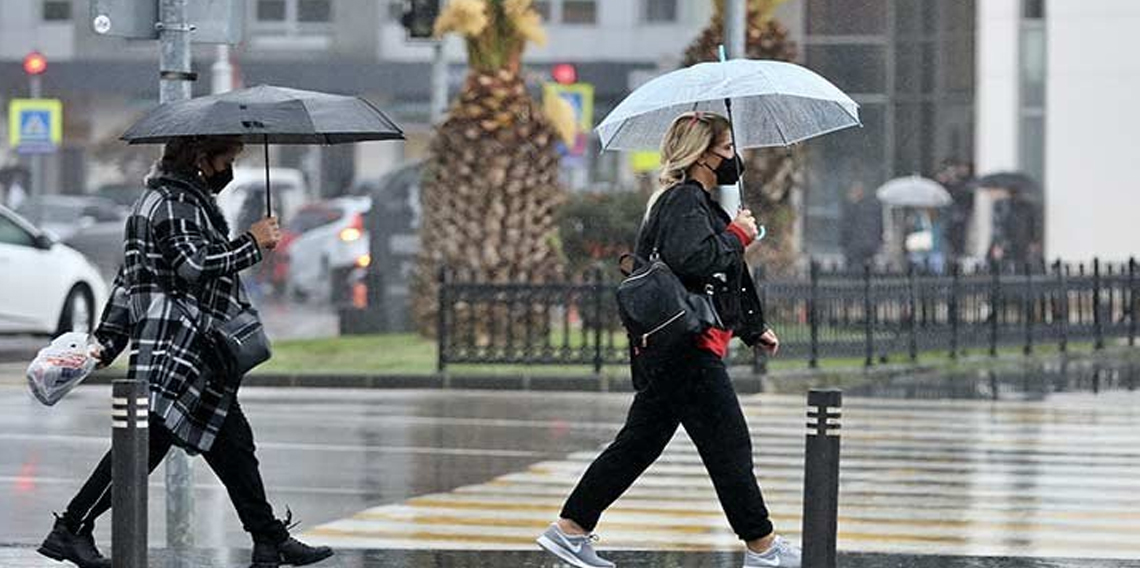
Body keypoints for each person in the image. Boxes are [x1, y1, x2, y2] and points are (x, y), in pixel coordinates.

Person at [36, 136, 333, 568]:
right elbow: (193, 265)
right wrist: (252, 242)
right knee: (142, 450)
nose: (229, 168)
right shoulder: (174, 203)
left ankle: (269, 538)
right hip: (177, 350)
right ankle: (71, 528)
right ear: (201, 159)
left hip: (193, 353)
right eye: (226, 158)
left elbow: (128, 280)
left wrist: (108, 340)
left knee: (234, 445)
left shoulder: (166, 200)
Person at [536, 112, 799, 568]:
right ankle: (764, 547)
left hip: (677, 347)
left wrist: (753, 326)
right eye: (727, 148)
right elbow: (694, 260)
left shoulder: (695, 202)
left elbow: (719, 277)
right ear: (703, 154)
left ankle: (571, 529)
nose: (734, 157)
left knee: (639, 443)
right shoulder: (682, 201)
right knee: (729, 445)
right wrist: (737, 235)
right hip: (686, 349)